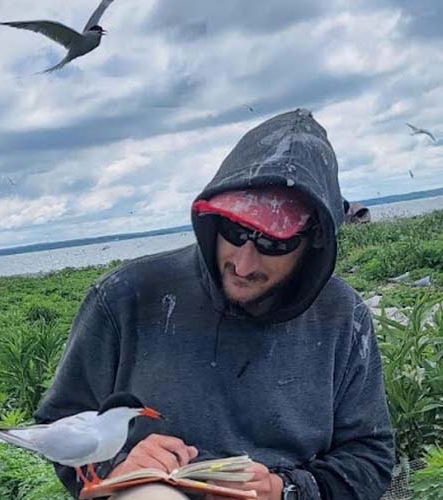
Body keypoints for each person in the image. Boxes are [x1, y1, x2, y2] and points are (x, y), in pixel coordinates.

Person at [35, 109, 395, 500]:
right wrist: (117, 465)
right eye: (234, 230)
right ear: (213, 220)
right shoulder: (126, 296)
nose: (243, 263)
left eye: (274, 244)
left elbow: (370, 456)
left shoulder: (343, 315)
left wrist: (284, 489)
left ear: (313, 243)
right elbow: (60, 422)